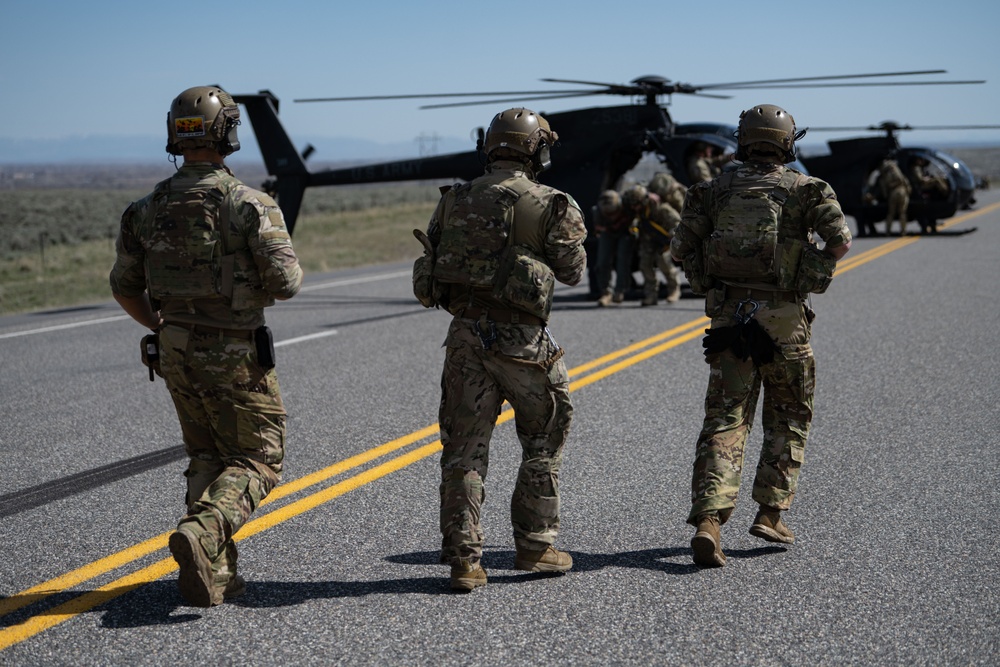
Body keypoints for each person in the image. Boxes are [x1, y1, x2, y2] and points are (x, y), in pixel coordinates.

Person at [109, 86, 303, 606]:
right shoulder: (250, 205)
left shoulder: (143, 210)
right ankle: (203, 533)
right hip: (235, 349)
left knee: (206, 456)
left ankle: (214, 576)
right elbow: (286, 283)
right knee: (260, 459)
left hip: (173, 346)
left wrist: (161, 324)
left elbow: (124, 286)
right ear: (227, 134)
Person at [412, 107, 587, 591]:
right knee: (543, 442)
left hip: (465, 340)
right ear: (538, 150)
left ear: (490, 147)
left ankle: (465, 561)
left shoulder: (454, 200)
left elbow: (432, 268)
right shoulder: (552, 202)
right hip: (524, 344)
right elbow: (572, 270)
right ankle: (535, 546)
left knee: (463, 453)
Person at [670, 104, 852, 568]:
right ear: (787, 143)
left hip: (731, 320)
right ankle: (771, 512)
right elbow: (840, 243)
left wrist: (708, 280)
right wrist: (808, 268)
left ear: (743, 140)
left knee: (726, 418)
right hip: (786, 322)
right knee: (789, 414)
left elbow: (679, 249)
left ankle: (710, 520)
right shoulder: (808, 189)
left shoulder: (710, 190)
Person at [623, 184, 681, 306]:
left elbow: (677, 223)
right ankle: (651, 295)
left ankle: (674, 290)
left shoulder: (661, 208)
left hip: (663, 240)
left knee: (664, 264)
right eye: (632, 204)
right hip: (647, 240)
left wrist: (671, 236)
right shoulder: (637, 211)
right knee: (645, 265)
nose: (634, 207)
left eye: (636, 204)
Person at [593, 189, 634, 306]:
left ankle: (620, 291)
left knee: (623, 261)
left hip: (624, 232)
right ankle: (605, 292)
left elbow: (634, 220)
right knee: (602, 262)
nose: (611, 216)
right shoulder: (598, 211)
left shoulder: (626, 207)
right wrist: (608, 228)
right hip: (607, 232)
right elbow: (598, 227)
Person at [876, 155, 911, 236]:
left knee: (891, 213)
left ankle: (888, 231)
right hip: (901, 191)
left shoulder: (883, 174)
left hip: (892, 193)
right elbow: (902, 179)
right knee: (902, 212)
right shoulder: (894, 168)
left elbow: (884, 189)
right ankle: (903, 231)